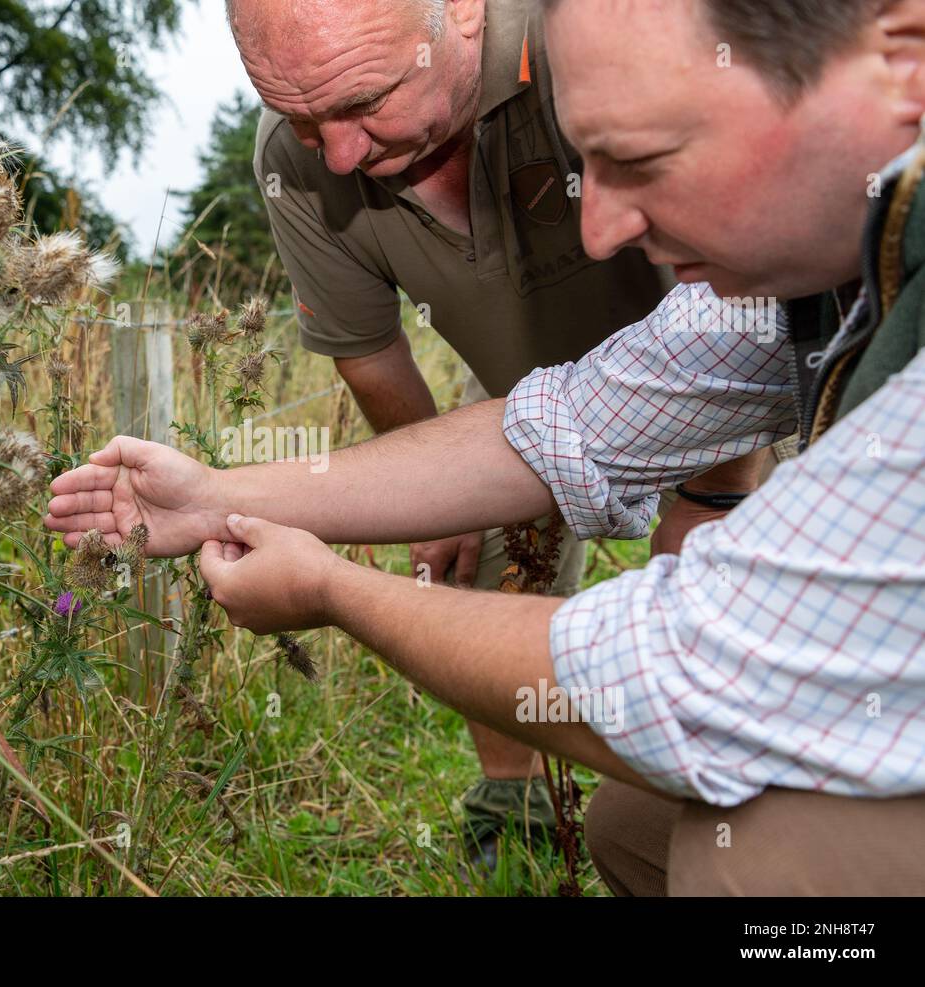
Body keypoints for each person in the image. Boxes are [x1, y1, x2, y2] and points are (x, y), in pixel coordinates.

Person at [49, 0, 925, 894]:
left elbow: (691, 677)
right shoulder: (803, 277)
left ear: (904, 65)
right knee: (632, 830)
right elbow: (567, 425)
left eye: (642, 158)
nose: (599, 229)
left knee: (745, 864)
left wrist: (337, 588)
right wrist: (211, 495)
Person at [228, 0, 766, 862]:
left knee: (736, 599)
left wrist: (713, 487)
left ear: (465, 14)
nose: (339, 153)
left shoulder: (590, 40)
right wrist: (435, 504)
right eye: (300, 119)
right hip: (516, 385)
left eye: (364, 104)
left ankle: (732, 812)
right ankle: (512, 811)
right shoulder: (301, 167)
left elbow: (735, 318)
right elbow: (369, 352)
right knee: (479, 558)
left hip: (706, 350)